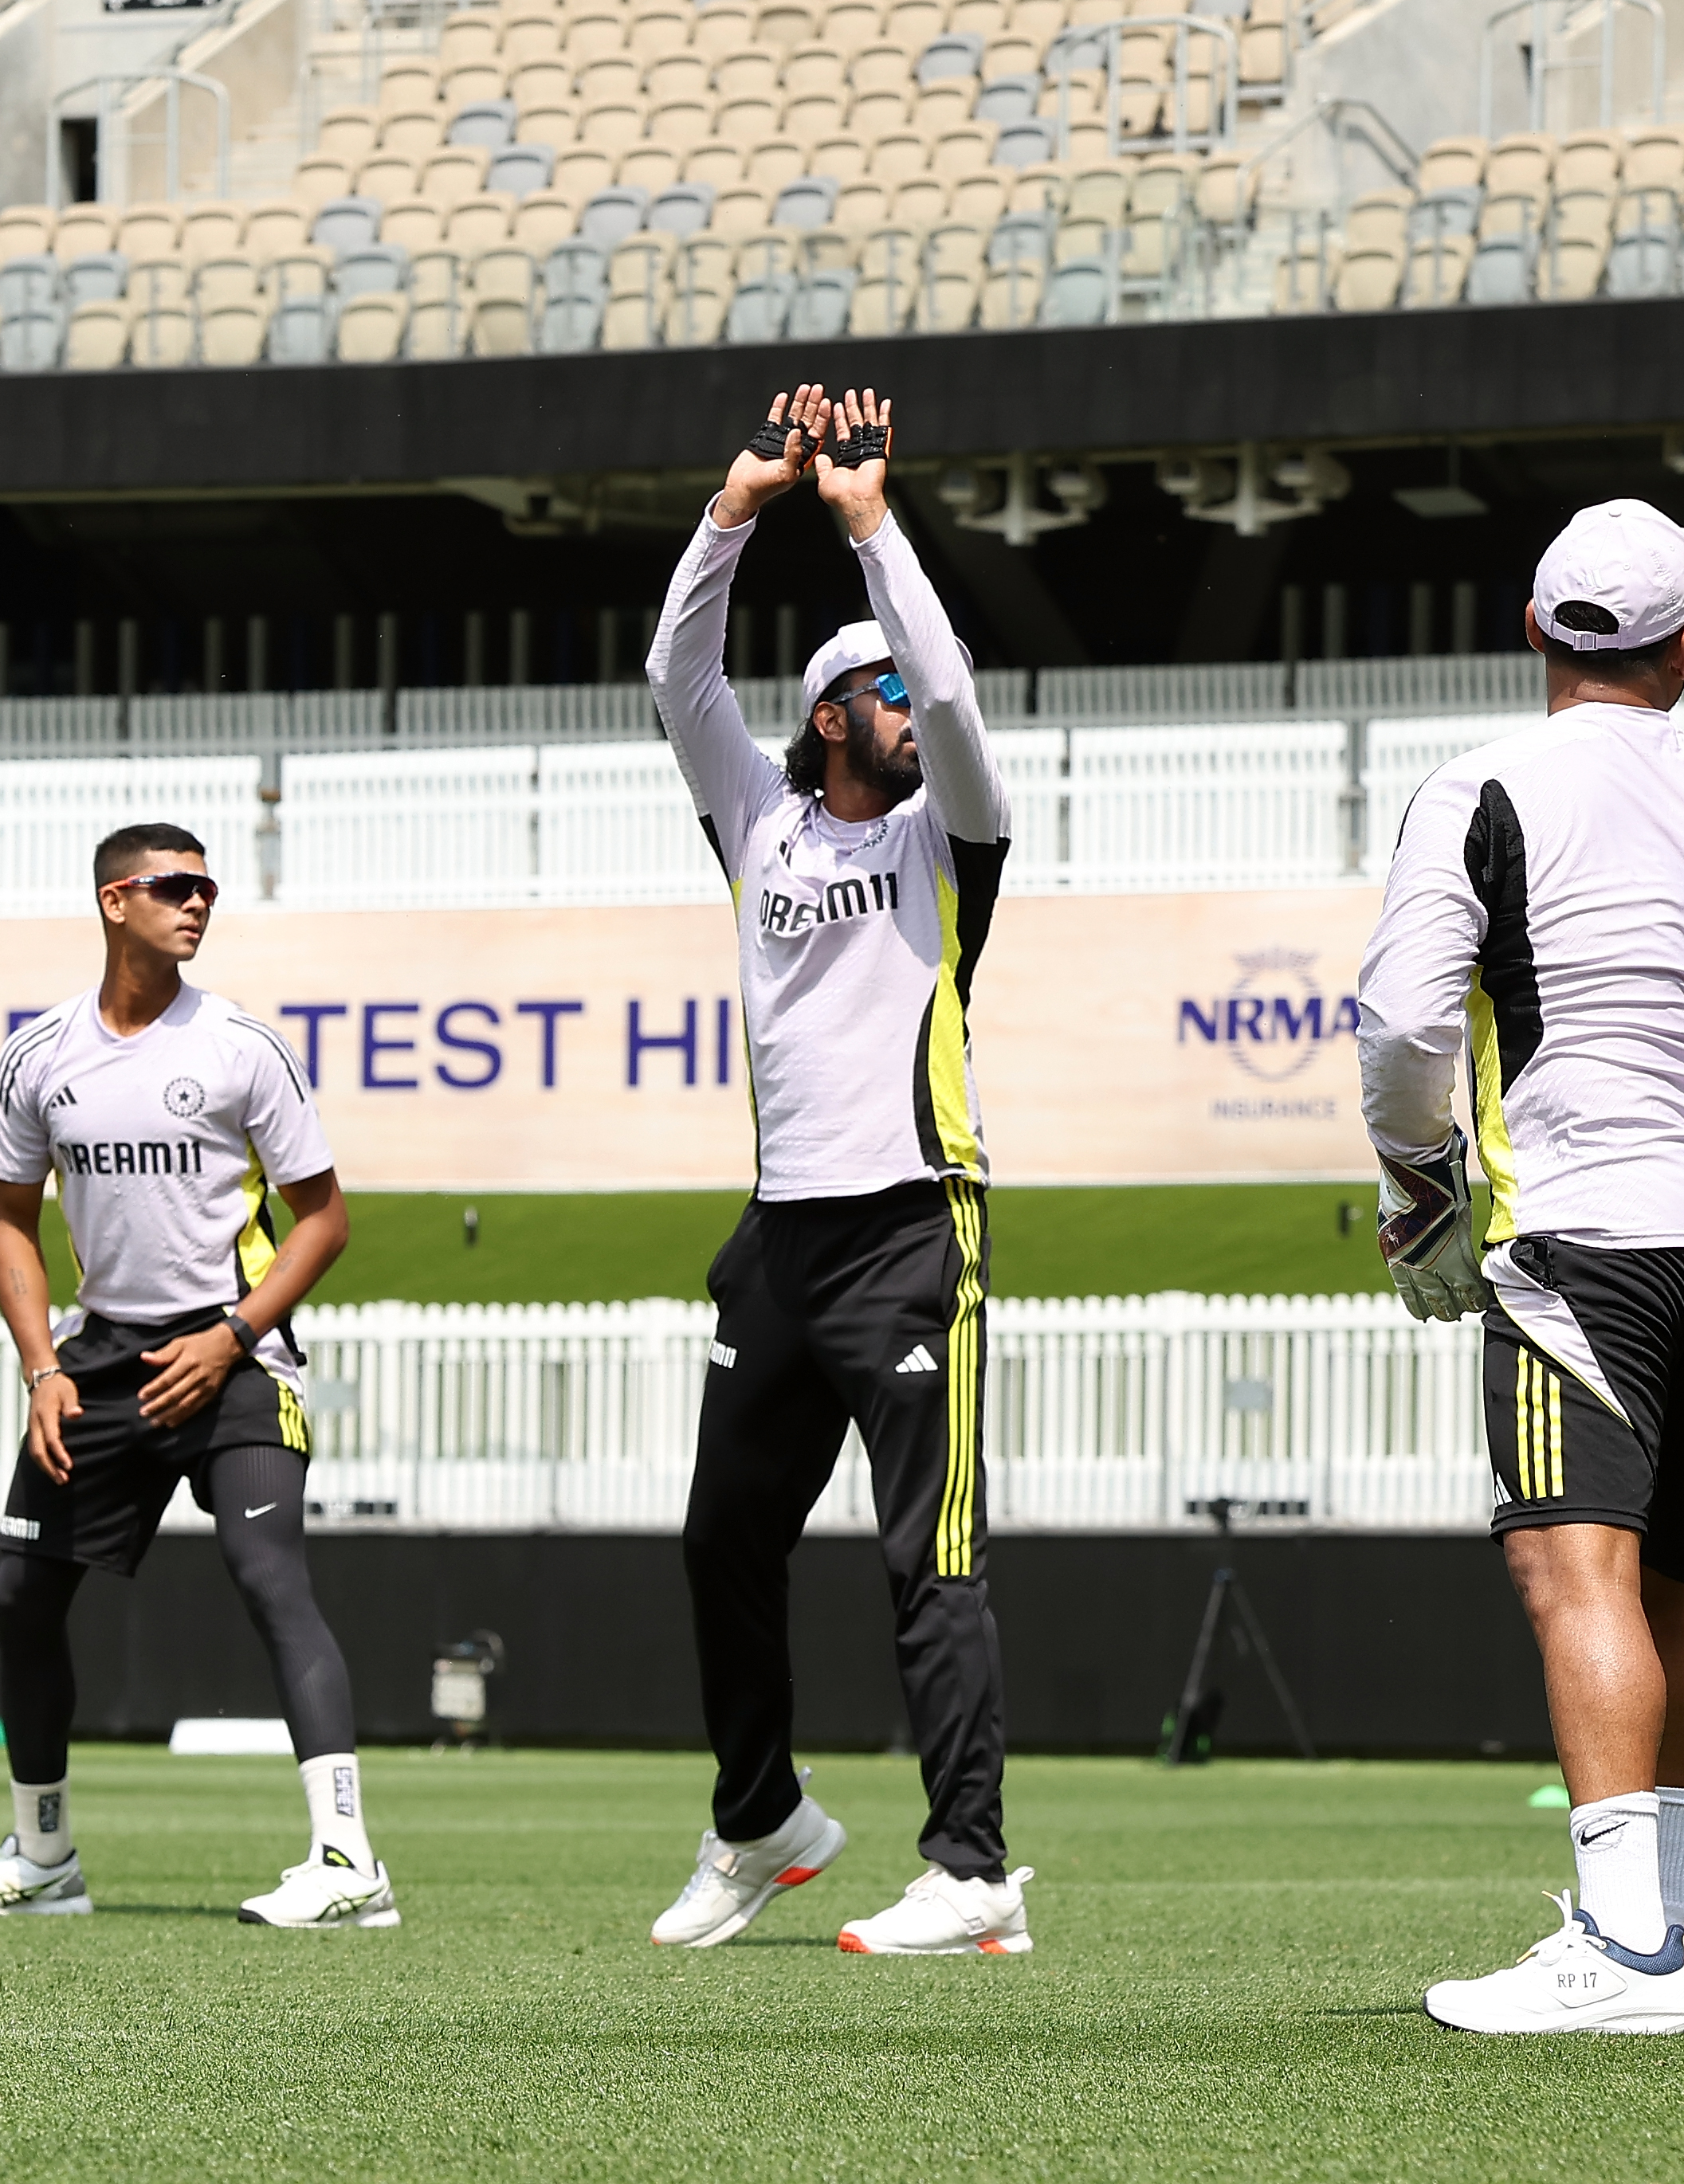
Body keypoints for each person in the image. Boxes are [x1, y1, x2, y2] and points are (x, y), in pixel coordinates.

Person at [1359, 499, 1684, 2034]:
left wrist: (1421, 1185)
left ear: (1535, 630)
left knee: (1565, 1566)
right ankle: (1678, 1926)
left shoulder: (1479, 785)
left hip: (1578, 1227)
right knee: (1662, 1584)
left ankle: (1629, 1947)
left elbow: (1403, 1027)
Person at [643, 385, 1036, 1957]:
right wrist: (735, 509)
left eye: (898, 687)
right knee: (719, 1540)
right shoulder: (759, 822)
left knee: (926, 1552)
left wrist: (870, 525)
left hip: (912, 1226)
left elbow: (947, 692)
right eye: (868, 689)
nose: (904, 705)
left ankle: (974, 1872)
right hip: (781, 1238)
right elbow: (678, 676)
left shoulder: (951, 835)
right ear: (823, 720)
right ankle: (759, 1822)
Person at [0, 823, 390, 1929]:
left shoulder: (242, 1048)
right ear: (114, 900)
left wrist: (234, 1333)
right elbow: (9, 1224)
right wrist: (43, 1365)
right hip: (100, 1362)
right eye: (175, 886)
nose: (198, 903)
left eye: (207, 887)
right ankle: (42, 1859)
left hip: (232, 1353)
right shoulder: (39, 1058)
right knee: (18, 1595)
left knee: (272, 1578)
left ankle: (349, 1858)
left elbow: (325, 1221)